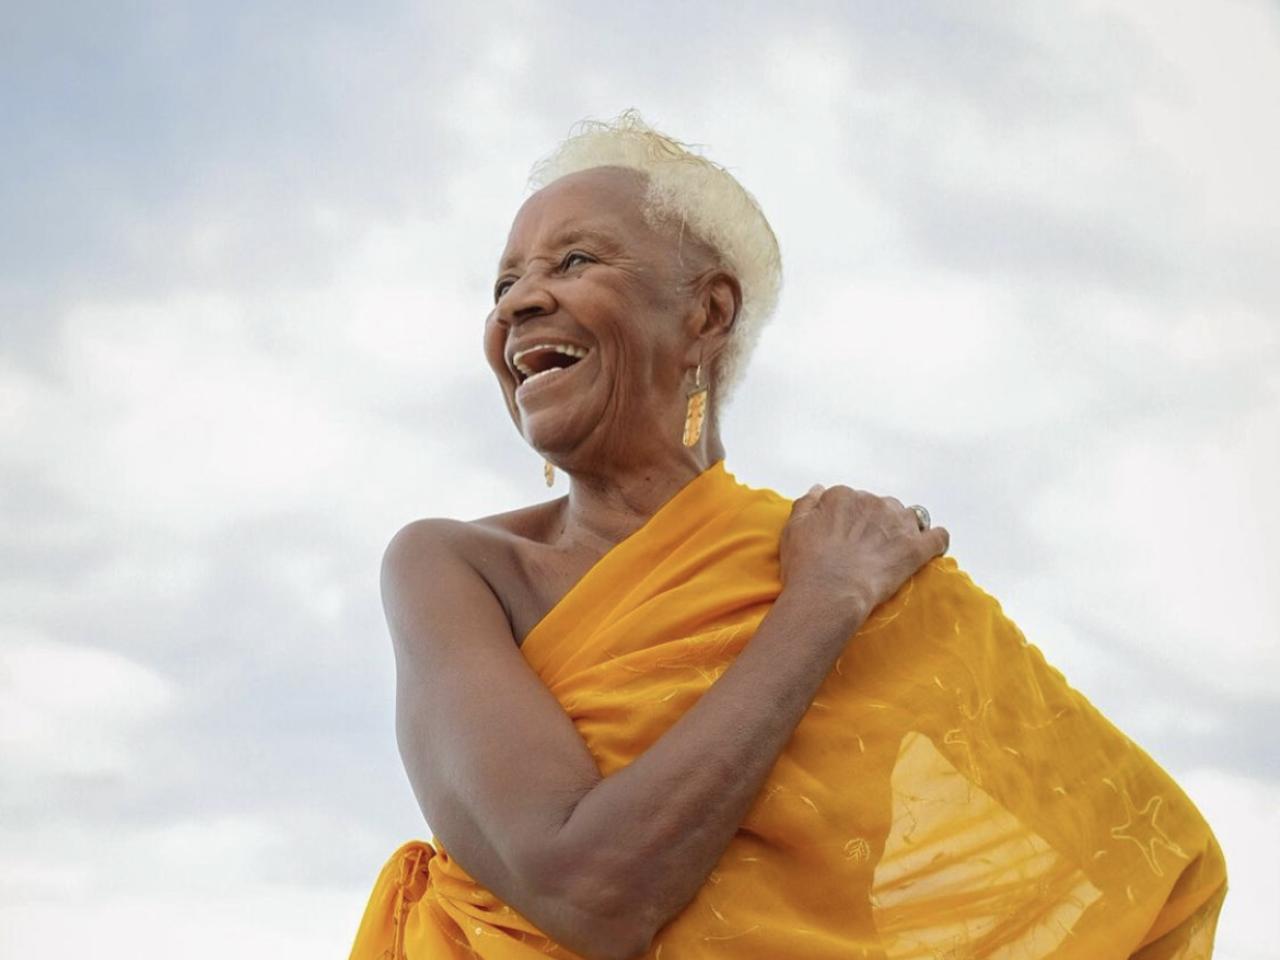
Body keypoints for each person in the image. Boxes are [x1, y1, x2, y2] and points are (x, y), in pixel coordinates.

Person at [348, 110, 1228, 960]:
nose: (522, 303)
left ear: (707, 315)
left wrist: (842, 590)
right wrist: (818, 607)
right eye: (503, 285)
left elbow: (1157, 873)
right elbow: (587, 892)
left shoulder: (873, 574)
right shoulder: (455, 569)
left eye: (574, 261)